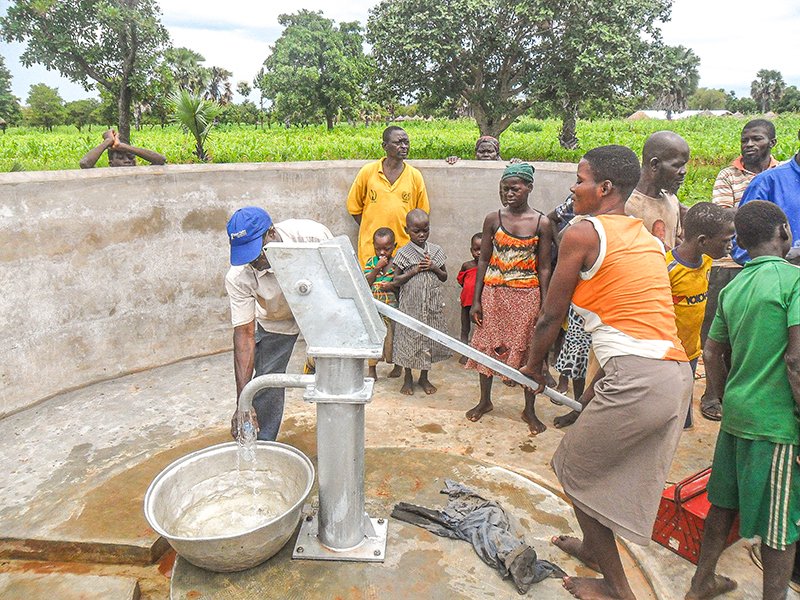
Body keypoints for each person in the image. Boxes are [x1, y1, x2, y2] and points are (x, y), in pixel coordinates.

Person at [521, 145, 692, 600]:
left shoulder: (583, 233)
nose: (573, 188)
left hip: (638, 380)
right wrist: (595, 390)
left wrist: (534, 368)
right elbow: (632, 329)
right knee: (600, 471)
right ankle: (595, 550)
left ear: (605, 188)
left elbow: (548, 317)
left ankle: (616, 587)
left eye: (579, 179)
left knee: (573, 470)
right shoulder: (648, 239)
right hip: (672, 377)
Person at [685, 201, 800, 600]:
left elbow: (711, 352)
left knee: (722, 503)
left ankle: (702, 581)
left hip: (737, 412)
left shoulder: (734, 287)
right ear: (783, 231)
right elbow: (796, 360)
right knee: (781, 522)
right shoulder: (794, 282)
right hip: (778, 423)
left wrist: (720, 393)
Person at [225, 207, 333, 441]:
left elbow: (339, 286)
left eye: (256, 252)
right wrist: (242, 403)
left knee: (334, 373)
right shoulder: (239, 276)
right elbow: (244, 336)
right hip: (277, 319)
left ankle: (335, 443)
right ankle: (263, 444)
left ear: (271, 233)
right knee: (266, 380)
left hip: (319, 309)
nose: (253, 261)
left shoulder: (312, 237)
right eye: (246, 255)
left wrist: (324, 339)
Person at [465, 163, 553, 435]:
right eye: (504, 189)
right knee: (487, 346)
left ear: (529, 188)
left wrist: (545, 304)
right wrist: (477, 299)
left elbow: (545, 267)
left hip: (527, 297)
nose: (508, 194)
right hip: (494, 295)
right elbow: (483, 259)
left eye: (515, 188)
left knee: (529, 351)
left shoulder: (542, 223)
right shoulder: (493, 219)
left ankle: (529, 409)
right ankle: (484, 401)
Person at [700, 119, 778, 421]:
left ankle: (739, 391)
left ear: (771, 141)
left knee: (755, 334)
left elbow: (740, 216)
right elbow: (725, 218)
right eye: (744, 139)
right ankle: (711, 394)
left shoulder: (781, 173)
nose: (748, 145)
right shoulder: (728, 175)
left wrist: (745, 215)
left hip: (769, 263)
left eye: (756, 139)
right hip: (729, 262)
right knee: (717, 335)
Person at [665, 202, 735, 426]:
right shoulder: (667, 268)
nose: (730, 246)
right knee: (666, 408)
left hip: (692, 351)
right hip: (666, 354)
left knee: (683, 410)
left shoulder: (706, 262)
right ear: (703, 240)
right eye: (725, 241)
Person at [346, 126, 430, 267]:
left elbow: (422, 214)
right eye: (398, 143)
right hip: (372, 249)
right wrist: (372, 230)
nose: (404, 146)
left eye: (406, 142)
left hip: (404, 249)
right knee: (372, 286)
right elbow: (354, 208)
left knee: (400, 286)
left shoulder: (415, 176)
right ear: (385, 146)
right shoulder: (368, 172)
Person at [391, 209, 451, 395]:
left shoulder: (436, 251)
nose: (422, 234)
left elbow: (444, 276)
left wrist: (433, 267)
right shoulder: (403, 253)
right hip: (411, 306)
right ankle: (407, 377)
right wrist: (413, 271)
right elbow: (396, 281)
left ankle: (424, 377)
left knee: (429, 339)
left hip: (431, 305)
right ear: (407, 230)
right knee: (409, 339)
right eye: (417, 231)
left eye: (426, 230)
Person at [625, 130, 690, 250]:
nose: (683, 171)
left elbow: (673, 241)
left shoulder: (672, 200)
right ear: (654, 164)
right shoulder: (627, 205)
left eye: (684, 165)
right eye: (676, 165)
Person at [363, 227, 401, 380]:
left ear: (394, 246)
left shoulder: (397, 264)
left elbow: (399, 285)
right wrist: (377, 268)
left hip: (392, 309)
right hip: (374, 310)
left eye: (387, 248)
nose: (382, 253)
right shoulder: (371, 262)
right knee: (373, 339)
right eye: (378, 248)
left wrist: (391, 286)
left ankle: (398, 365)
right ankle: (372, 369)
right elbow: (366, 283)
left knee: (395, 339)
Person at [79, 128, 166, 168]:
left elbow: (161, 160)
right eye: (120, 158)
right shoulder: (107, 176)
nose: (127, 160)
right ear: (111, 163)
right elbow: (85, 163)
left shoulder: (138, 173)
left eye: (131, 157)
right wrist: (108, 141)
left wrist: (121, 146)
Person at [456, 232, 482, 364]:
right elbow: (460, 280)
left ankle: (479, 355)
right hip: (466, 302)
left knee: (481, 329)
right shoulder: (467, 265)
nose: (479, 253)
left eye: (482, 250)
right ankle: (464, 353)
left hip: (481, 304)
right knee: (465, 328)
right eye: (476, 249)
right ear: (471, 250)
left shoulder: (489, 267)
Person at [445, 135, 521, 164]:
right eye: (481, 151)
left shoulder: (505, 167)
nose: (486, 155)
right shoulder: (470, 166)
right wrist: (453, 161)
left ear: (497, 154)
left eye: (490, 151)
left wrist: (517, 164)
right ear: (476, 153)